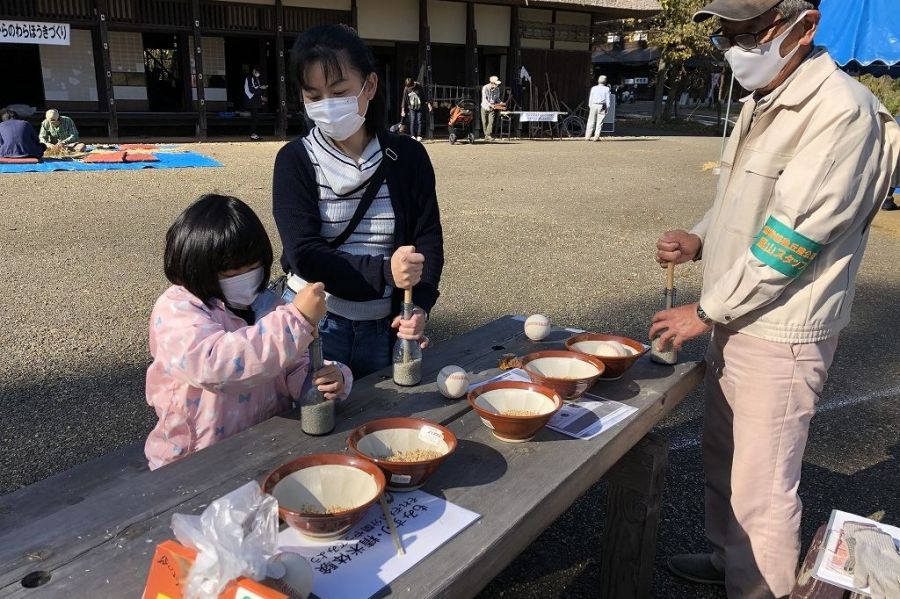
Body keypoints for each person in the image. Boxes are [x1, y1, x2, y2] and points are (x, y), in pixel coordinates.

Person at [650, 1, 900, 597]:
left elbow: (793, 236)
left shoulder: (840, 111)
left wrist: (705, 310)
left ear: (806, 25)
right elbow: (742, 196)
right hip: (739, 320)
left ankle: (758, 588)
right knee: (723, 457)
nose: (738, 48)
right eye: (726, 36)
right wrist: (700, 238)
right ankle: (725, 560)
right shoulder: (763, 98)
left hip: (782, 330)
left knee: (761, 490)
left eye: (751, 33)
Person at [273, 24, 444, 379]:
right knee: (312, 425)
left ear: (370, 86)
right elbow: (304, 252)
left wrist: (420, 306)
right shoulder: (294, 160)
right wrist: (385, 273)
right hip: (314, 325)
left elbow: (427, 239)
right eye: (314, 96)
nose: (327, 106)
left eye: (338, 92)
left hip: (384, 328)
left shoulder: (407, 156)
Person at [144, 194, 352, 470]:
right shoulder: (177, 309)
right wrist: (297, 319)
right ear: (194, 265)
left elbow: (293, 364)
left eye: (253, 266)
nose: (244, 276)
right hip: (193, 460)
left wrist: (329, 378)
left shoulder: (267, 304)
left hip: (263, 447)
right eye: (230, 271)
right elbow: (216, 366)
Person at [244, 66, 268, 140]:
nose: (258, 74)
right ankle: (252, 134)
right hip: (251, 100)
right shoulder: (249, 78)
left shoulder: (256, 78)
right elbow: (251, 90)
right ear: (254, 71)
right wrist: (261, 88)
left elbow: (257, 88)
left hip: (255, 100)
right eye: (257, 72)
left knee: (255, 117)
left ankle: (254, 133)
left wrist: (261, 97)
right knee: (254, 117)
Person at [584, 75, 611, 141]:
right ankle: (596, 136)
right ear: (605, 81)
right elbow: (608, 100)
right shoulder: (607, 89)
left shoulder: (594, 88)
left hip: (593, 105)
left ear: (598, 80)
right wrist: (607, 108)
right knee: (599, 122)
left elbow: (591, 98)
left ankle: (587, 136)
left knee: (591, 121)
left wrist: (590, 106)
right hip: (602, 106)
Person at [480, 75, 503, 141]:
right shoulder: (485, 88)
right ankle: (486, 135)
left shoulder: (497, 89)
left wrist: (500, 102)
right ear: (492, 83)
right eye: (496, 84)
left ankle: (488, 135)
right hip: (484, 106)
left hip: (492, 107)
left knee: (491, 122)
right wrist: (490, 104)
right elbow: (484, 99)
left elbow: (497, 98)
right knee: (484, 122)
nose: (497, 85)